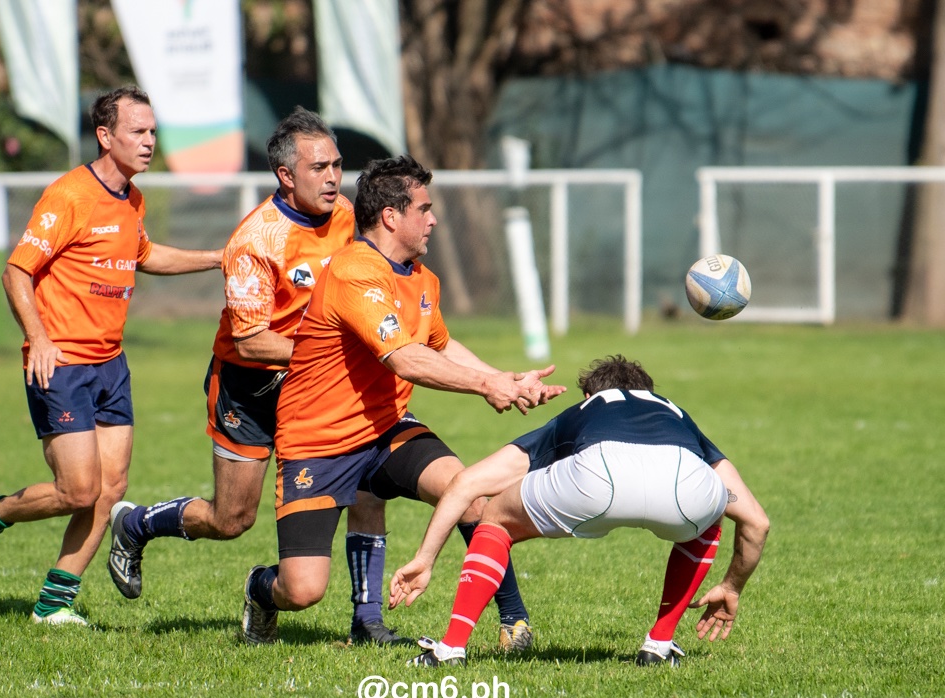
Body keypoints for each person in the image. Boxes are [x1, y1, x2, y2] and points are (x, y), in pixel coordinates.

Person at [239, 155, 566, 648]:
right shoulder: (355, 271)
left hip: (387, 426)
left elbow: (437, 345)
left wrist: (506, 379)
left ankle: (512, 621)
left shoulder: (420, 277)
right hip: (318, 441)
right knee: (302, 589)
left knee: (472, 494)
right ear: (391, 216)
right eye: (424, 208)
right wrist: (485, 387)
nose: (433, 218)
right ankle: (260, 590)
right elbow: (406, 360)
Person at [105, 107, 404, 643]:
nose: (334, 177)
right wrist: (326, 354)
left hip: (317, 390)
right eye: (319, 168)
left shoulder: (347, 221)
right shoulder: (257, 240)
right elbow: (252, 340)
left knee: (366, 486)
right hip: (250, 388)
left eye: (337, 164)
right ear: (286, 175)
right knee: (231, 518)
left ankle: (368, 620)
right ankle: (137, 524)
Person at [0, 86, 223, 625]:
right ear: (105, 136)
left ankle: (54, 604)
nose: (149, 142)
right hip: (61, 361)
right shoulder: (69, 195)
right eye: (138, 132)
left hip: (110, 364)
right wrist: (40, 338)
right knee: (78, 489)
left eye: (153, 132)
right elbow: (16, 271)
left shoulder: (132, 199)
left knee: (110, 489)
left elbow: (145, 254)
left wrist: (216, 257)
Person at [389, 354, 770, 667]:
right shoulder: (677, 415)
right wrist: (731, 585)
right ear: (649, 394)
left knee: (496, 518)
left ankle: (451, 648)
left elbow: (467, 483)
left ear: (588, 395)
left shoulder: (587, 408)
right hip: (685, 481)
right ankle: (659, 644)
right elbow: (757, 522)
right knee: (711, 514)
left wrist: (425, 558)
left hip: (597, 475)